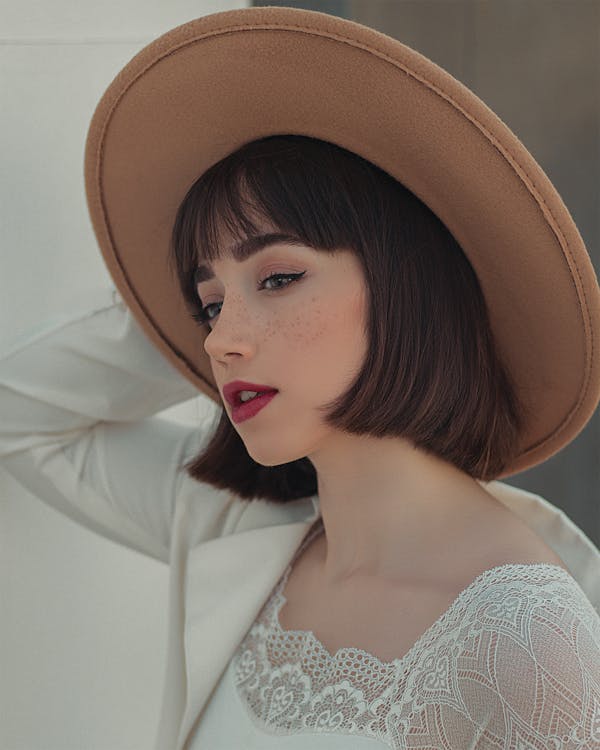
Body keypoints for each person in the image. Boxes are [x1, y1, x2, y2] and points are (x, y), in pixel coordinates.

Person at [2, 6, 600, 749]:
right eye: (209, 303)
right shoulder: (233, 527)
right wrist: (173, 317)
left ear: (408, 288)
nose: (222, 342)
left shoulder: (526, 644)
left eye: (280, 277)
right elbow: (18, 415)